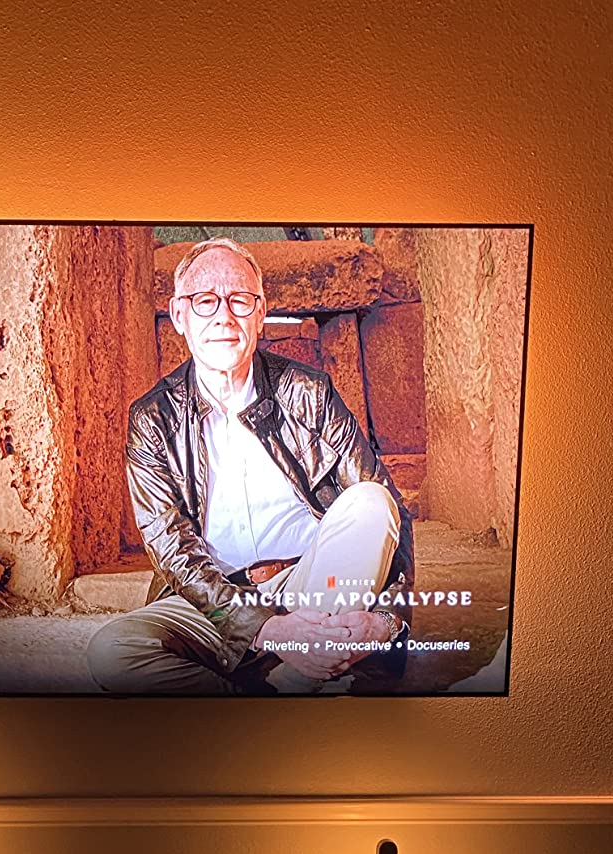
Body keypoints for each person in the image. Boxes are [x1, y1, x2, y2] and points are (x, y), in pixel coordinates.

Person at [87, 237, 416, 695]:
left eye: (240, 300)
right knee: (113, 652)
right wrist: (267, 628)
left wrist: (385, 619)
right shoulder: (153, 418)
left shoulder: (309, 393)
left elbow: (388, 507)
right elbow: (172, 548)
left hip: (314, 583)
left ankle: (298, 671)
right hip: (214, 599)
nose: (223, 316)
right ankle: (273, 693)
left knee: (372, 502)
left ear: (260, 313)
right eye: (205, 301)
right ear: (179, 315)